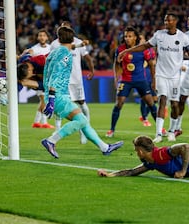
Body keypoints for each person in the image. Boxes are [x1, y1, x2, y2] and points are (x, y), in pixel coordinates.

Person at [41, 26, 123, 158]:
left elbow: (49, 70)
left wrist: (81, 44)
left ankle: (105, 147)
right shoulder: (65, 54)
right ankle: (51, 140)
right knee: (82, 120)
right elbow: (56, 73)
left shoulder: (56, 51)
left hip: (55, 94)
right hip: (58, 95)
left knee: (81, 120)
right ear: (72, 39)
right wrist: (51, 98)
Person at [117, 13, 189, 143]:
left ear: (175, 21)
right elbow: (145, 46)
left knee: (175, 104)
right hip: (161, 74)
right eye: (165, 20)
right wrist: (127, 51)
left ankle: (172, 131)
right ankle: (159, 134)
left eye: (170, 20)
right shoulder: (159, 35)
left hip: (175, 77)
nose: (167, 23)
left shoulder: (183, 37)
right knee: (162, 101)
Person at [105, 26, 157, 137]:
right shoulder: (120, 49)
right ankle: (112, 130)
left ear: (135, 37)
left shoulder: (143, 49)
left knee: (151, 102)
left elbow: (152, 65)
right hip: (125, 80)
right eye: (126, 36)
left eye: (130, 36)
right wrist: (116, 78)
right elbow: (117, 64)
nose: (127, 38)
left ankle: (160, 129)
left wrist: (153, 80)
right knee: (119, 104)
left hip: (140, 80)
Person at [50, 21, 95, 144]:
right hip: (62, 80)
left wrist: (92, 69)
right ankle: (57, 129)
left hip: (76, 80)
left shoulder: (77, 41)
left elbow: (87, 57)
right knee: (60, 105)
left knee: (81, 103)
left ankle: (85, 130)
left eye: (66, 28)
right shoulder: (55, 44)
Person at [19, 29, 54, 129]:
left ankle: (37, 122)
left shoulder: (51, 47)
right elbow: (28, 56)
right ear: (38, 37)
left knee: (43, 101)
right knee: (44, 99)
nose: (42, 37)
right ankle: (43, 122)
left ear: (47, 37)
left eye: (44, 35)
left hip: (46, 76)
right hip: (36, 77)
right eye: (40, 35)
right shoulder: (34, 48)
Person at [138, 34, 158, 128]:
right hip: (143, 77)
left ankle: (145, 116)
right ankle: (145, 119)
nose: (141, 41)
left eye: (142, 39)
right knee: (144, 99)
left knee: (154, 99)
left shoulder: (150, 50)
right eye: (139, 39)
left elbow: (154, 62)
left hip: (151, 76)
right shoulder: (137, 51)